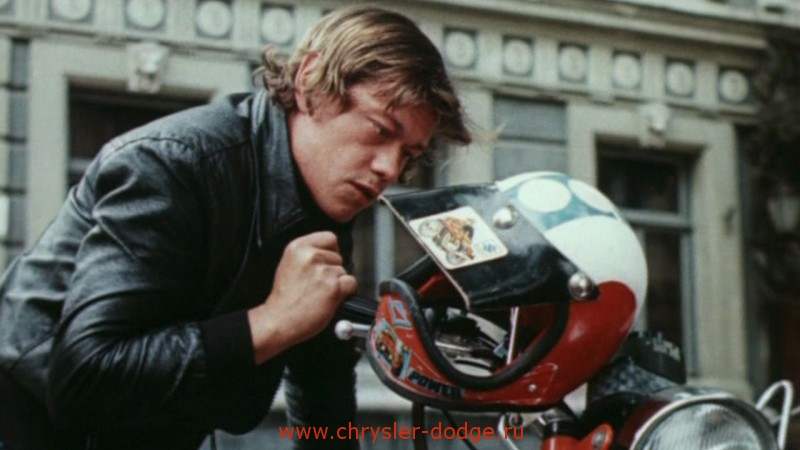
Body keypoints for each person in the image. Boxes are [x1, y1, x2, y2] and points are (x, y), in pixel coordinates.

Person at [0, 5, 471, 450]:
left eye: (408, 154)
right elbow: (85, 377)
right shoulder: (172, 164)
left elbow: (321, 384)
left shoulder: (324, 202)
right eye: (381, 130)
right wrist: (272, 322)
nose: (389, 169)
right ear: (310, 83)